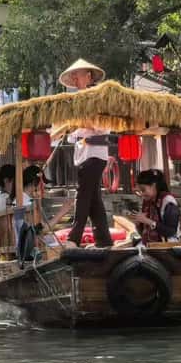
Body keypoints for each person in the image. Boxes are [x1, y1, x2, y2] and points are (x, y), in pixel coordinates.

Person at [60, 59, 114, 249]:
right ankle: (104, 239)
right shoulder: (76, 102)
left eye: (78, 75)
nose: (75, 79)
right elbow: (72, 135)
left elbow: (104, 126)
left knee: (83, 196)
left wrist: (83, 123)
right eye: (73, 76)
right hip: (83, 155)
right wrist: (74, 127)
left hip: (95, 155)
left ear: (88, 76)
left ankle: (74, 238)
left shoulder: (98, 97)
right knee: (93, 200)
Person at [132, 168, 181, 244]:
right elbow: (143, 232)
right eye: (139, 192)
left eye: (143, 190)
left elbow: (171, 231)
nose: (142, 194)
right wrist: (138, 224)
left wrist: (148, 221)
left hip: (167, 247)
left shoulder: (168, 201)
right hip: (148, 246)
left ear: (153, 185)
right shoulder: (147, 202)